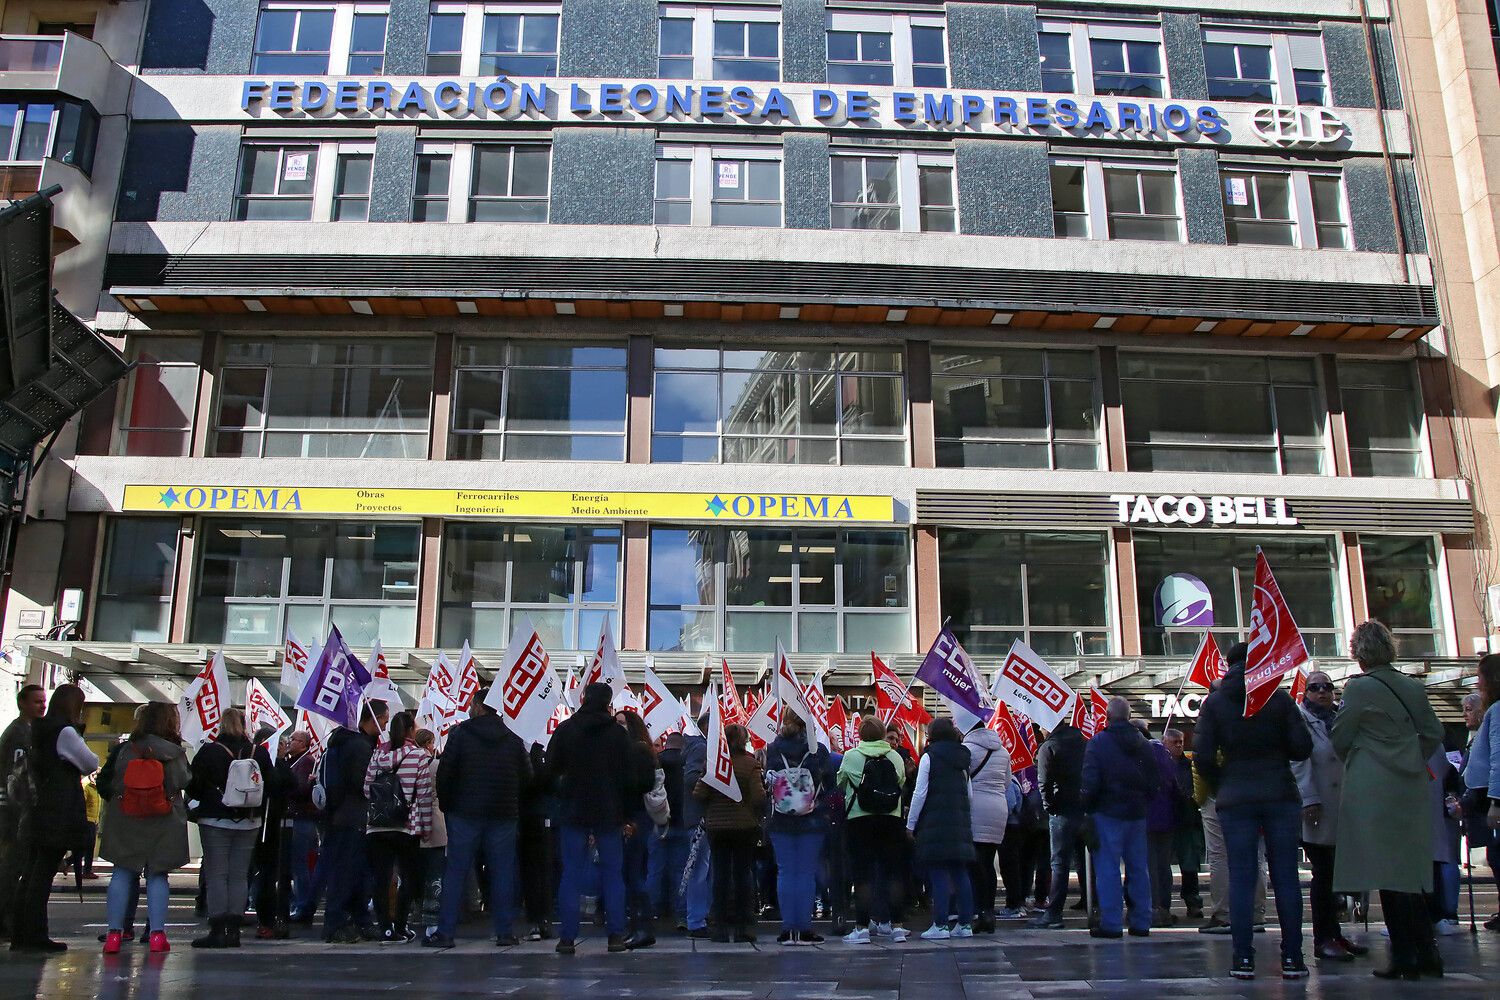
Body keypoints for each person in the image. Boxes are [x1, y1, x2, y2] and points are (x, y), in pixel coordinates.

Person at [1332, 621, 1445, 980]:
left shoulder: (1359, 688)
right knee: (1411, 871)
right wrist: (1409, 756)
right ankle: (1428, 952)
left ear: (1358, 653)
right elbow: (1433, 732)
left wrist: (1370, 754)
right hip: (1410, 786)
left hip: (1372, 786)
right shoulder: (1412, 685)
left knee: (1386, 871)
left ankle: (1405, 956)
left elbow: (1341, 736)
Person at [1195, 642, 1312, 980]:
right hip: (1279, 791)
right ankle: (1292, 957)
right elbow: (1302, 747)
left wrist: (1224, 782)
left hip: (1236, 796)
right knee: (1286, 876)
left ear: (1228, 665)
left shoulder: (1215, 702)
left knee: (1242, 876)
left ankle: (1242, 957)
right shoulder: (1278, 698)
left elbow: (1202, 757)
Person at [549, 682, 651, 954]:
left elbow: (549, 770)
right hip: (609, 812)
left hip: (573, 810)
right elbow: (630, 778)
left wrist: (562, 793)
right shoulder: (618, 735)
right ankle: (615, 935)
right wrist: (628, 814)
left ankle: (567, 937)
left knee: (570, 873)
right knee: (613, 874)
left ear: (584, 699)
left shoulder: (566, 730)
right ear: (607, 704)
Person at [426, 691, 528, 948]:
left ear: (480, 706)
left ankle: (446, 931)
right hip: (503, 813)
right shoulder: (513, 739)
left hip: (464, 812)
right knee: (502, 872)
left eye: (472, 703)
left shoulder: (459, 735)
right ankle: (504, 931)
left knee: (456, 871)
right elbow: (527, 777)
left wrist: (449, 807)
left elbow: (446, 774)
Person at [99, 702, 189, 954]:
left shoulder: (125, 750)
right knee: (157, 875)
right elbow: (182, 780)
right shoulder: (174, 752)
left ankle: (114, 934)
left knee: (122, 872)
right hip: (163, 818)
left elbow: (110, 782)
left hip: (126, 816)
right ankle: (157, 934)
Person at [10, 683, 95, 952]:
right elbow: (90, 762)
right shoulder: (65, 731)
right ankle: (36, 935)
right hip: (57, 813)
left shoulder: (39, 728)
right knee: (42, 875)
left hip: (36, 810)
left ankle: (20, 933)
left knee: (32, 873)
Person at [1290, 670, 1361, 962]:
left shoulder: (1341, 719)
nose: (1322, 692)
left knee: (1337, 873)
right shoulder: (1301, 719)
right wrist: (1309, 799)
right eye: (1315, 687)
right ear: (1305, 692)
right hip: (1317, 806)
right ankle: (1323, 938)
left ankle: (1336, 933)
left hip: (1342, 805)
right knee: (1323, 873)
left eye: (1327, 687)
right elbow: (1299, 761)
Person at [188, 707, 274, 949]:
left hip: (215, 818)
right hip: (250, 819)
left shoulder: (209, 752)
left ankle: (217, 928)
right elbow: (272, 781)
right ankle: (234, 929)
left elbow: (193, 785)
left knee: (217, 874)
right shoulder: (258, 752)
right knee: (239, 874)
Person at [1080, 697, 1156, 941]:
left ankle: (1112, 923)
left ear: (1107, 716)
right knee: (1138, 869)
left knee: (1108, 869)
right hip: (1136, 813)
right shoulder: (1143, 744)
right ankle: (1141, 922)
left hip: (1107, 812)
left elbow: (1090, 782)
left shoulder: (1098, 743)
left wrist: (1086, 807)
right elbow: (1153, 780)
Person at [363, 710, 434, 943]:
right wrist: (425, 826)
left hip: (377, 825)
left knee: (381, 879)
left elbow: (367, 789)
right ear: (411, 731)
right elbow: (423, 794)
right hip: (406, 824)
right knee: (408, 877)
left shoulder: (377, 754)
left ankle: (385, 928)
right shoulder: (418, 756)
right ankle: (401, 925)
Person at [321, 699, 388, 944]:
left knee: (355, 873)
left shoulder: (342, 742)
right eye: (383, 720)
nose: (385, 725)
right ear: (373, 719)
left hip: (342, 815)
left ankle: (357, 919)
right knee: (349, 872)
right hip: (354, 816)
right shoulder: (360, 747)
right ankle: (337, 923)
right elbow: (363, 784)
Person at [838, 717, 909, 944]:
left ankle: (861, 928)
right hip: (891, 819)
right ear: (881, 734)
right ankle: (897, 927)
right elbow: (901, 780)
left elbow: (840, 783)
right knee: (893, 873)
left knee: (863, 875)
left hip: (860, 820)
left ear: (860, 734)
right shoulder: (895, 756)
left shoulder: (851, 756)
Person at [764, 714, 833, 945]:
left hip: (780, 818)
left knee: (785, 872)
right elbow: (829, 782)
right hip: (812, 819)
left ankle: (787, 929)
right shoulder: (818, 750)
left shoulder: (772, 748)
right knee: (805, 873)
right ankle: (803, 928)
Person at [693, 722, 765, 943]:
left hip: (718, 828)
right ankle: (745, 927)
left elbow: (698, 794)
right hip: (744, 828)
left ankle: (720, 927)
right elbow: (758, 797)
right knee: (743, 875)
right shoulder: (751, 764)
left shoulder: (715, 764)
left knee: (721, 876)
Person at [908, 718, 975, 940]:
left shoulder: (929, 756)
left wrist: (911, 823)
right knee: (960, 873)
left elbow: (919, 793)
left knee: (938, 874)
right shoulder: (964, 758)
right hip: (960, 823)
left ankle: (940, 923)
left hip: (935, 824)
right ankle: (965, 924)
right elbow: (970, 794)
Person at [1030, 716, 1088, 930]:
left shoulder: (1049, 747)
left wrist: (1049, 806)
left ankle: (1054, 913)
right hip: (1083, 809)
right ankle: (1094, 907)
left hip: (1062, 810)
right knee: (1086, 861)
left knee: (1060, 864)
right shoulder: (1083, 742)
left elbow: (1044, 782)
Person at [0, 684, 45, 939]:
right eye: (37, 701)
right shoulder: (19, 734)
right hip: (13, 811)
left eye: (43, 701)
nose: (42, 705)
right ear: (23, 704)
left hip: (15, 809)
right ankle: (5, 920)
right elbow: (15, 777)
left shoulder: (27, 732)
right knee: (12, 865)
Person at [1462, 660, 1500, 931]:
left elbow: (1498, 756)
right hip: (1486, 793)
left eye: (1480, 677)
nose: (1478, 682)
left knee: (1498, 854)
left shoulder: (1496, 711)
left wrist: (1496, 802)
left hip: (1491, 796)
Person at [962, 719, 1010, 934]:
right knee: (988, 862)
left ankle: (979, 911)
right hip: (998, 807)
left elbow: (963, 780)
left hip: (975, 807)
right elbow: (1007, 782)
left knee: (974, 863)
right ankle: (989, 911)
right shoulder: (1003, 752)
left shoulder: (967, 750)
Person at [619, 711, 660, 950]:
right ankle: (636, 926)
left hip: (636, 817)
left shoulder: (638, 750)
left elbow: (643, 783)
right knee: (630, 873)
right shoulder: (634, 750)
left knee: (635, 873)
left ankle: (643, 927)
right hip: (632, 816)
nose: (619, 727)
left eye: (622, 723)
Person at [1134, 719, 1179, 927]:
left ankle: (1152, 909)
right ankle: (1165, 908)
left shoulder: (1140, 753)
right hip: (1167, 816)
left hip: (1146, 816)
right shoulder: (1164, 753)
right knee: (1163, 866)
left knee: (1149, 865)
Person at [645, 731, 690, 934]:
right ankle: (681, 912)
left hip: (658, 822)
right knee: (680, 871)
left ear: (666, 745)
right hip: (682, 822)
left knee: (654, 869)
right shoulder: (687, 763)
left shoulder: (656, 762)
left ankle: (649, 912)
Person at [1162, 729, 1204, 919]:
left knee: (1190, 865)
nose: (1179, 745)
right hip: (1168, 820)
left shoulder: (1190, 765)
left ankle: (1193, 902)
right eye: (1174, 742)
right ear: (1165, 743)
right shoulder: (1160, 765)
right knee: (1163, 865)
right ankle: (1163, 904)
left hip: (1187, 820)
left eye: (1180, 742)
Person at [679, 715, 712, 939]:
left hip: (699, 818)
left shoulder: (698, 748)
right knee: (700, 871)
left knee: (702, 870)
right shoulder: (701, 749)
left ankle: (699, 917)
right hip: (700, 818)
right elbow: (691, 779)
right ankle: (696, 920)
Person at [283, 730, 321, 923]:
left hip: (302, 818)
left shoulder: (304, 762)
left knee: (301, 864)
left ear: (304, 743)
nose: (290, 742)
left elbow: (301, 789)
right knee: (299, 864)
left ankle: (302, 903)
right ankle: (300, 902)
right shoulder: (294, 761)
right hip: (299, 818)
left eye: (294, 739)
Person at [518, 741, 555, 941]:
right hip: (537, 815)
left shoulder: (530, 750)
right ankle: (541, 919)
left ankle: (537, 919)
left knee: (534, 871)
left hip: (526, 815)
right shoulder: (538, 751)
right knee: (540, 871)